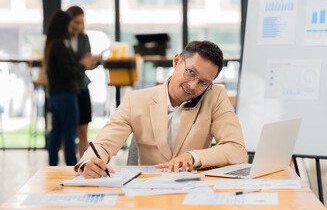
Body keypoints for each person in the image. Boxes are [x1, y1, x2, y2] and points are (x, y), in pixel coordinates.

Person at [74, 41, 247, 178]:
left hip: (193, 193)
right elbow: (104, 144)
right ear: (177, 61)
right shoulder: (136, 100)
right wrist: (89, 162)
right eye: (191, 73)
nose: (193, 85)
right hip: (147, 192)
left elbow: (236, 149)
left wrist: (193, 157)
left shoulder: (215, 96)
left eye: (203, 82)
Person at [44, 10, 94, 166]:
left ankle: (52, 167)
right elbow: (67, 72)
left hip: (54, 96)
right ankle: (73, 168)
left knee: (56, 134)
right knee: (69, 134)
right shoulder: (60, 46)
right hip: (67, 95)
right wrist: (82, 65)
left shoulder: (51, 45)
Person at [66, 6, 102, 158]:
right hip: (67, 88)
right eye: (76, 22)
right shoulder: (61, 40)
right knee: (68, 131)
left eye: (81, 23)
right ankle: (68, 164)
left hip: (82, 86)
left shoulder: (84, 38)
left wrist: (94, 62)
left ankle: (82, 164)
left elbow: (86, 64)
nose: (79, 26)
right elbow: (67, 67)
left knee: (83, 131)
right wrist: (81, 63)